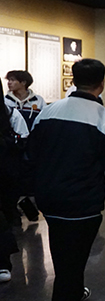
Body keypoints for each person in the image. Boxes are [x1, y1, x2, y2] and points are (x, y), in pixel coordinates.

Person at [28, 58, 105, 301]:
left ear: (73, 81)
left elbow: (31, 154)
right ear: (101, 84)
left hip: (48, 197)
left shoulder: (49, 111)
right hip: (83, 200)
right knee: (73, 261)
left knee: (64, 254)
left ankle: (75, 294)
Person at [4, 70, 45, 221]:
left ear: (23, 82)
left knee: (30, 177)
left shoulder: (38, 101)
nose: (9, 83)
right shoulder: (6, 101)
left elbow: (43, 121)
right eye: (8, 80)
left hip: (33, 143)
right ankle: (14, 209)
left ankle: (31, 210)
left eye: (13, 80)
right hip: (12, 146)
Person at [0, 82, 29, 282]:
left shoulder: (9, 113)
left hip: (5, 175)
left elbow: (23, 140)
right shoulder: (10, 111)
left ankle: (2, 263)